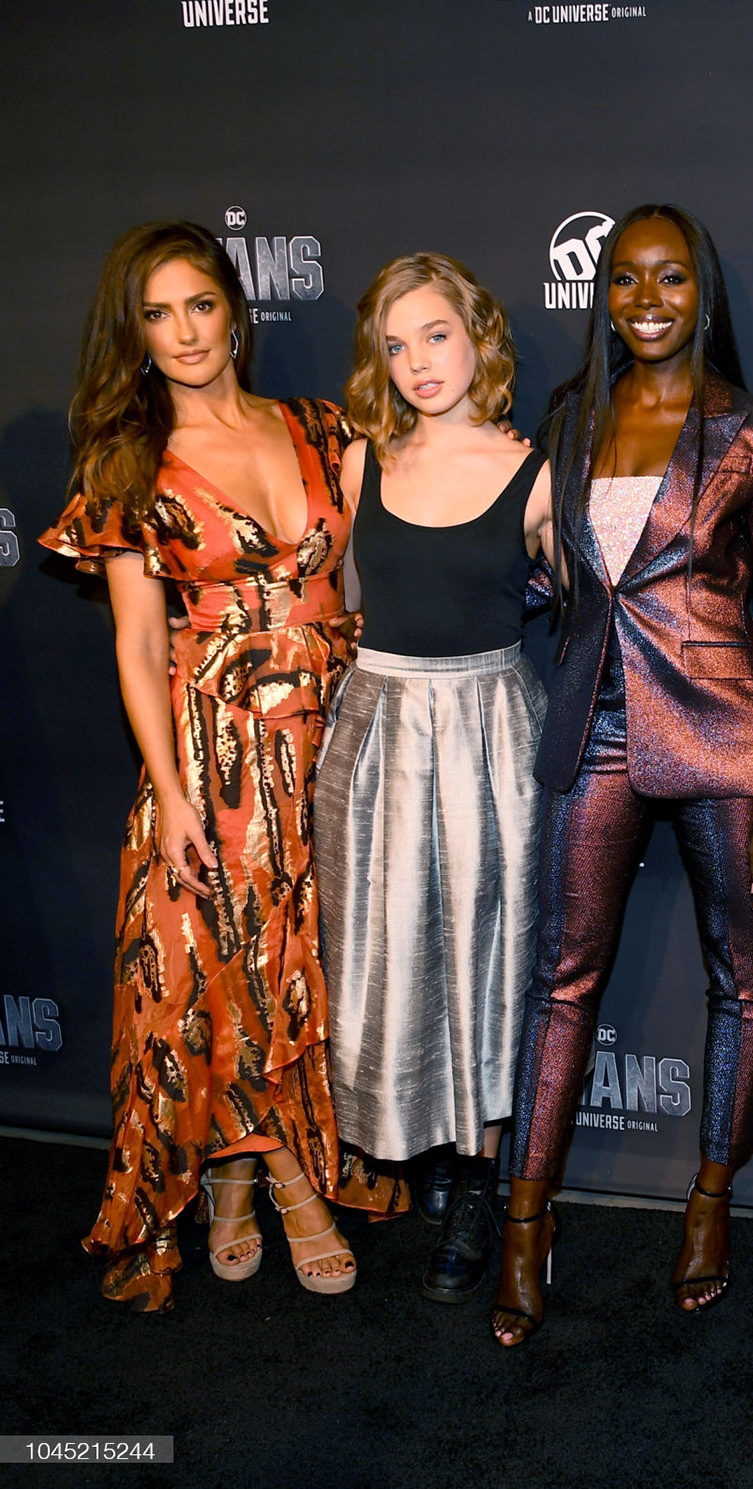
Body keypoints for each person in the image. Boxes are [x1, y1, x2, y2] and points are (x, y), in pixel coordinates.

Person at [40, 221, 404, 1313]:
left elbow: (393, 553)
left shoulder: (321, 425)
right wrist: (176, 791)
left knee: (319, 964)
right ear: (135, 336)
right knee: (232, 965)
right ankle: (284, 1181)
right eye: (157, 314)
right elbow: (139, 646)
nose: (184, 332)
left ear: (236, 311)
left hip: (336, 739)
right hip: (217, 754)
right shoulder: (128, 464)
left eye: (200, 304)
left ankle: (239, 1174)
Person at [491, 204, 753, 1345]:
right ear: (605, 293)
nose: (647, 298)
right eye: (627, 280)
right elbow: (564, 583)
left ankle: (711, 1200)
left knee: (743, 977)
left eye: (671, 278)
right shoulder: (573, 417)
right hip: (598, 727)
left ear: (702, 290)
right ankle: (525, 1222)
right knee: (562, 978)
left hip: (724, 732)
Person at [313, 253, 555, 1303]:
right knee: (387, 957)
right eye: (396, 344)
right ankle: (404, 1152)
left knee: (488, 958)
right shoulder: (361, 464)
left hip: (489, 729)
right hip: (374, 729)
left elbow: (595, 602)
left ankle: (478, 1181)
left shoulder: (534, 472)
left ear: (479, 337)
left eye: (436, 335)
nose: (418, 361)